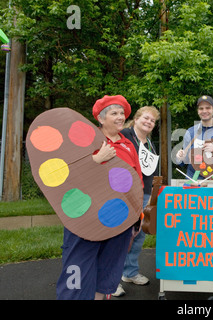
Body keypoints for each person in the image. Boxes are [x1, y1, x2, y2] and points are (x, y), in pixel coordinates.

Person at [56, 95, 143, 300]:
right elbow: (66, 174)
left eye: (122, 113)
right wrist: (95, 160)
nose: (120, 117)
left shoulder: (128, 145)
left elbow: (136, 181)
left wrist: (136, 216)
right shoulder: (85, 140)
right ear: (101, 119)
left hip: (119, 218)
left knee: (108, 271)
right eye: (114, 113)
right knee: (77, 268)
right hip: (85, 218)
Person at [113, 106, 160, 297]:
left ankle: (129, 272)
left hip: (146, 193)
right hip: (126, 194)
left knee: (139, 235)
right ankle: (111, 280)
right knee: (120, 236)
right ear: (137, 118)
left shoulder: (149, 142)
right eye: (146, 118)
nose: (149, 122)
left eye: (152, 121)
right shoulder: (124, 135)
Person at [175, 95, 213, 179]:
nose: (204, 111)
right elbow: (185, 162)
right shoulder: (190, 132)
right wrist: (180, 158)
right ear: (198, 111)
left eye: (208, 108)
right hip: (193, 181)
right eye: (201, 108)